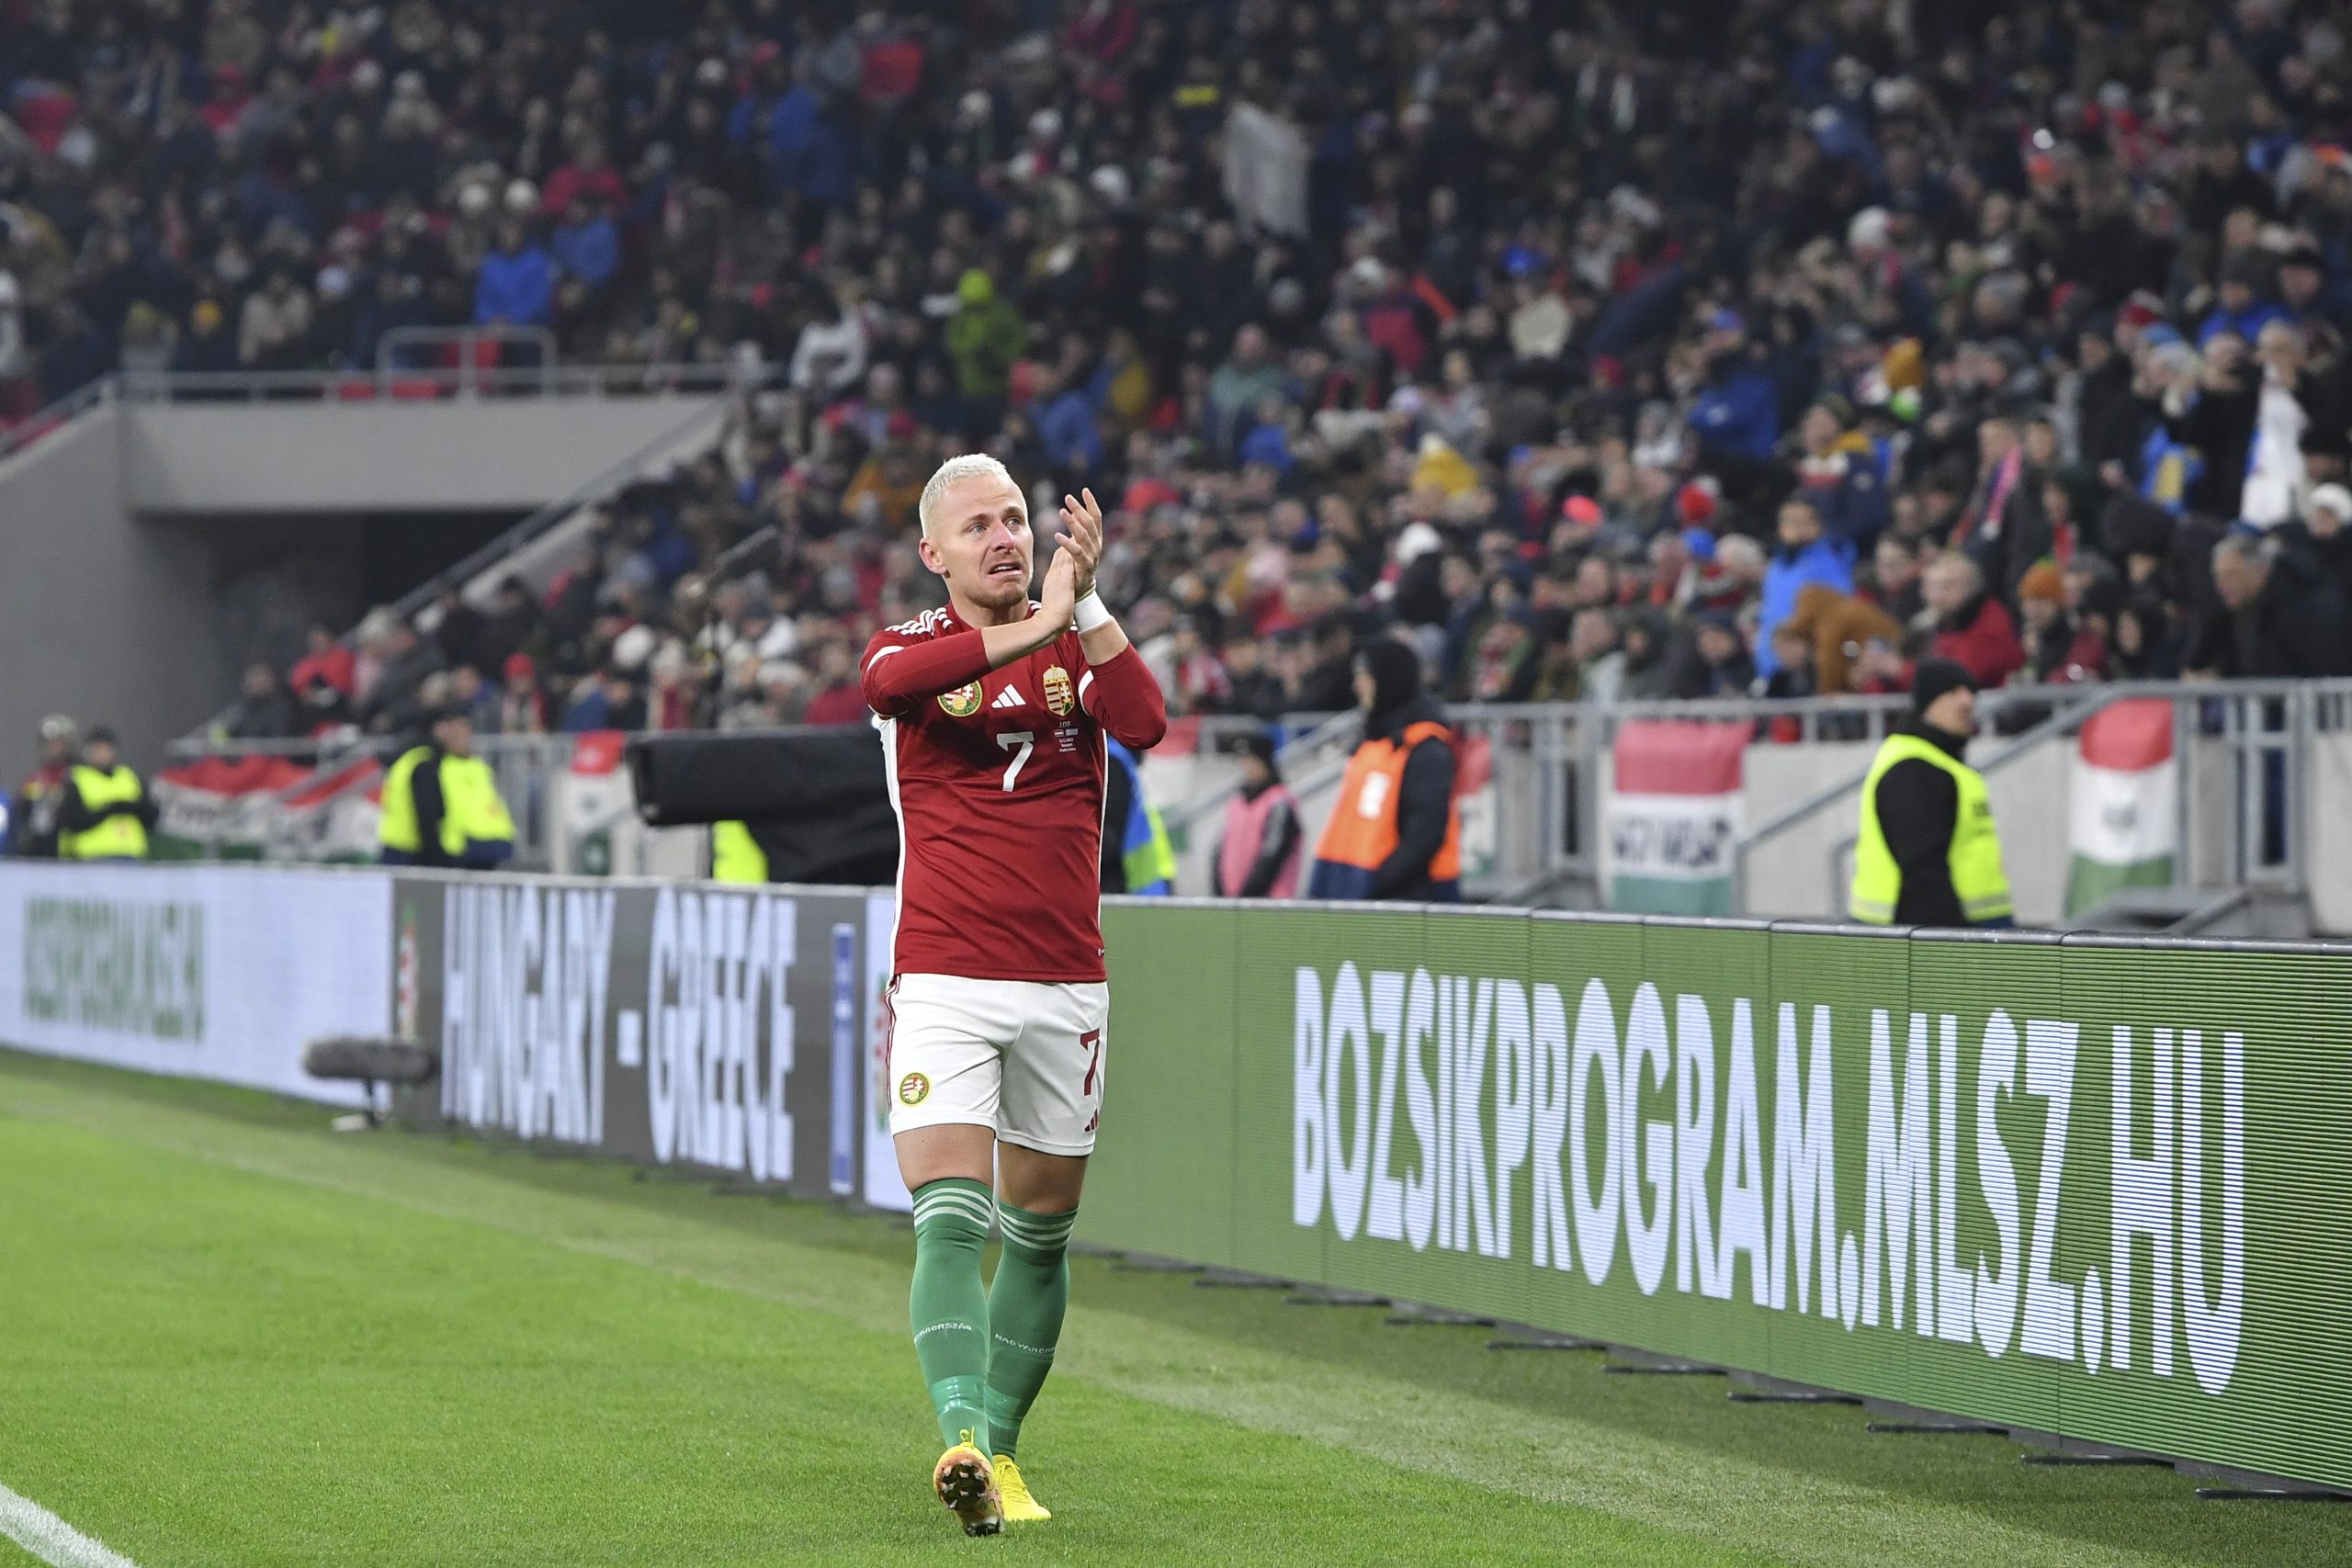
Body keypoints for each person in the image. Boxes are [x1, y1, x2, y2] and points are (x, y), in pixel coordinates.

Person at [858, 456, 1165, 1535]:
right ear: (933, 554)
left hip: (1066, 985)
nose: (1005, 537)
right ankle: (957, 1433)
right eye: (978, 526)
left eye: (1016, 519)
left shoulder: (1079, 645)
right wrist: (1045, 622)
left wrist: (1086, 609)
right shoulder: (906, 650)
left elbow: (1146, 721)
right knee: (949, 1218)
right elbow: (886, 690)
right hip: (946, 977)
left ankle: (1000, 1453)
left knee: (1038, 1237)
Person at [1848, 660, 2014, 928]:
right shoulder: (1914, 768)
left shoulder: (1941, 763)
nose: (1968, 700)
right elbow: (1923, 872)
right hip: (1934, 934)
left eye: (1971, 691)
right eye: (1954, 691)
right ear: (1930, 704)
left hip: (1970, 929)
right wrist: (1948, 941)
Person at [1307, 637, 1461, 901]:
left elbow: (1424, 835)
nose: (1357, 685)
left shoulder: (1425, 750)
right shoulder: (1373, 745)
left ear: (1388, 679)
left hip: (1405, 904)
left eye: (1364, 676)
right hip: (1359, 894)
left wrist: (1376, 884)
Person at [377, 708, 517, 869]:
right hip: (418, 850)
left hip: (482, 847)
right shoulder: (427, 764)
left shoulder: (465, 764)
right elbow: (428, 815)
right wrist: (437, 857)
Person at [1212, 730, 1300, 898]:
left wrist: (1251, 892)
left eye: (1252, 760)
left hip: (1269, 900)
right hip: (1233, 898)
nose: (1247, 767)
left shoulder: (1279, 801)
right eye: (1244, 761)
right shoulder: (1237, 801)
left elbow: (1274, 852)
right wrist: (1220, 890)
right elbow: (1221, 845)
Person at [55, 727, 157, 862]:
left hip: (130, 854)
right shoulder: (78, 778)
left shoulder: (129, 777)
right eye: (97, 749)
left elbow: (151, 816)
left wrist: (130, 807)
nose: (102, 754)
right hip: (92, 855)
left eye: (106, 749)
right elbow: (72, 821)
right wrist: (110, 810)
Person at [1099, 735, 1176, 896]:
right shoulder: (1118, 757)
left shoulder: (1109, 759)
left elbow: (1107, 838)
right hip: (1138, 885)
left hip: (1122, 888)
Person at [6, 715, 79, 859]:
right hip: (39, 848)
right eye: (48, 743)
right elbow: (22, 808)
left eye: (58, 742)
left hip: (69, 850)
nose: (53, 747)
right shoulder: (37, 777)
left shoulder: (78, 775)